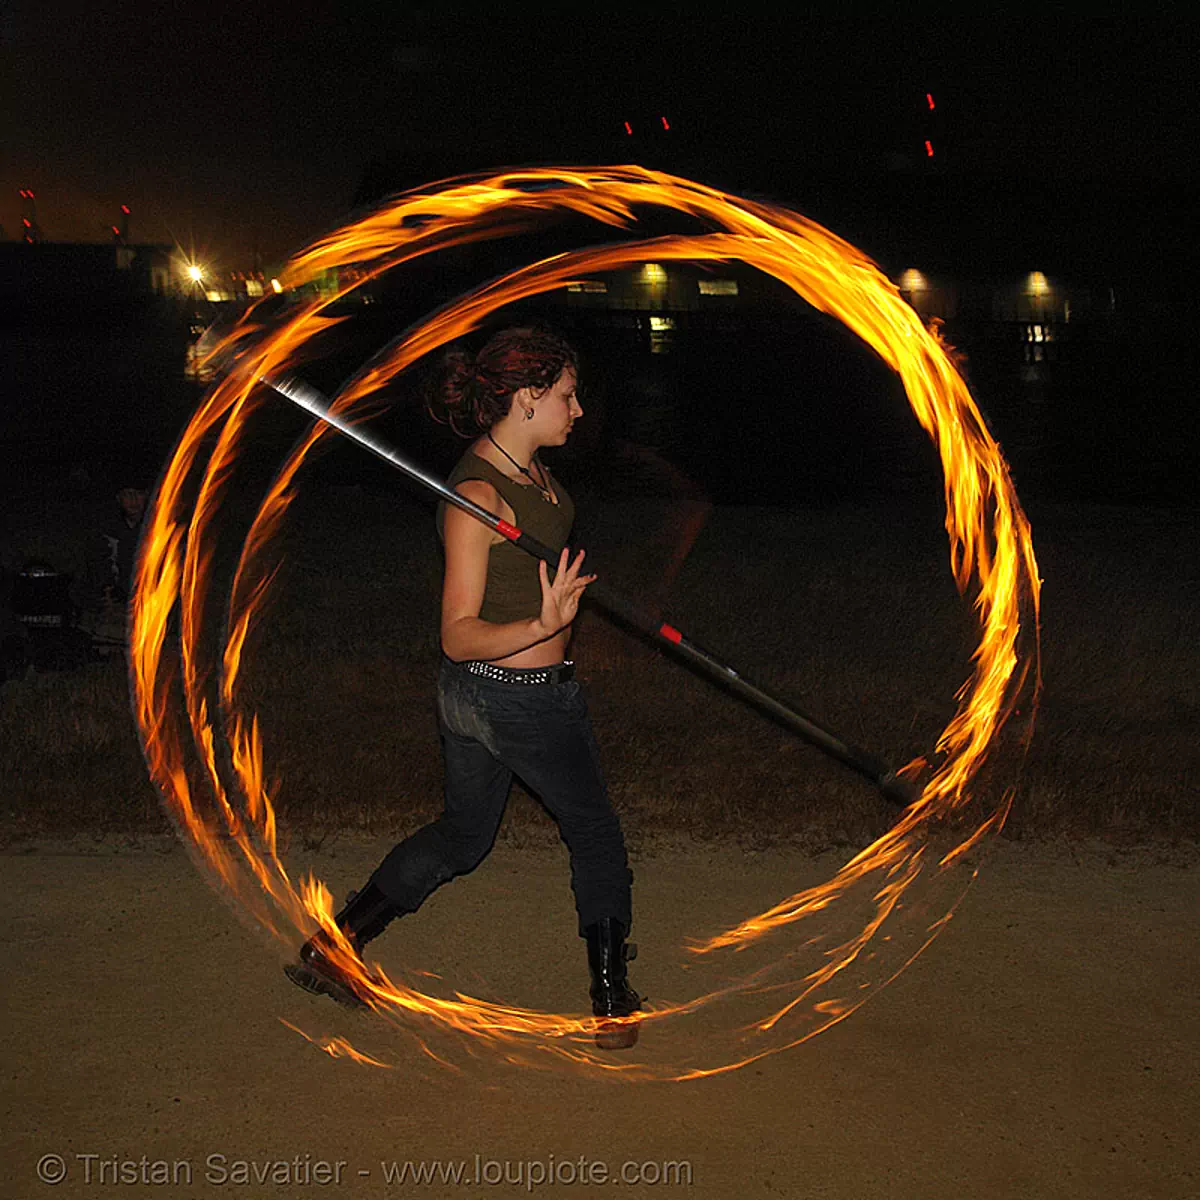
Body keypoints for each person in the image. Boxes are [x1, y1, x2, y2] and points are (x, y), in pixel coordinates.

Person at [285, 327, 641, 1047]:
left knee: (463, 836)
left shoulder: (530, 472)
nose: (577, 412)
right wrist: (541, 625)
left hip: (480, 699)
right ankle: (611, 1000)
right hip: (517, 698)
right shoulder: (477, 497)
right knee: (596, 835)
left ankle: (333, 946)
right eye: (567, 397)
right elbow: (457, 631)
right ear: (526, 397)